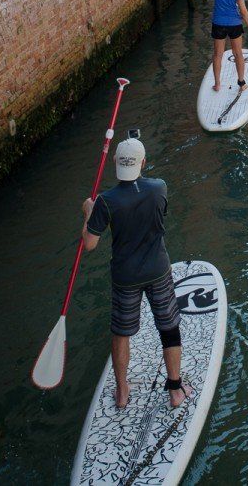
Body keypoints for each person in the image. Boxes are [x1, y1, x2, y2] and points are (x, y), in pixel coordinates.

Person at [82, 138, 189, 411]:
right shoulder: (159, 187)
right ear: (143, 163)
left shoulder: (105, 201)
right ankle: (175, 390)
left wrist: (88, 213)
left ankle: (122, 391)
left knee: (121, 333)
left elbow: (89, 244)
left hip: (125, 277)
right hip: (158, 271)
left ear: (115, 163)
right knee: (169, 328)